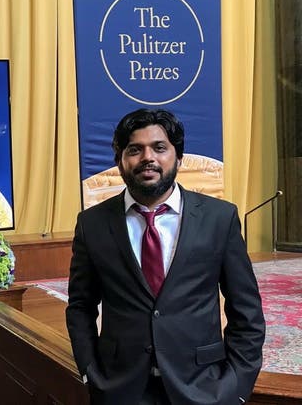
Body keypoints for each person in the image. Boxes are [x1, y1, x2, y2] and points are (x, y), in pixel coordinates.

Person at [66, 108, 265, 405]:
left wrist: (236, 385)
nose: (148, 157)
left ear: (179, 158)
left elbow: (246, 308)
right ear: (119, 160)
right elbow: (81, 306)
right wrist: (90, 373)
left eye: (160, 148)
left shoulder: (219, 218)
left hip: (203, 388)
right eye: (135, 149)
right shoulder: (92, 224)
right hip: (121, 389)